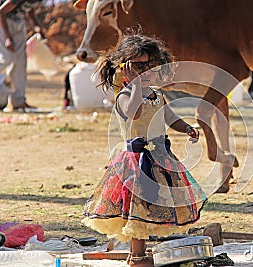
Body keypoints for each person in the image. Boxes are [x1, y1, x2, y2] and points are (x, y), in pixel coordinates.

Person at [82, 34, 206, 267]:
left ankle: (140, 253)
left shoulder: (158, 94)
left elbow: (169, 116)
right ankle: (137, 256)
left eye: (150, 65)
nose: (146, 71)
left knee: (154, 208)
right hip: (136, 163)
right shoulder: (126, 95)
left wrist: (187, 127)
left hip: (161, 157)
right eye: (139, 66)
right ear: (125, 68)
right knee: (137, 209)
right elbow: (135, 113)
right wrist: (135, 82)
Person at [0, 0, 45, 110]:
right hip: (0, 19)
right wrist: (7, 37)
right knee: (6, 57)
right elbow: (1, 12)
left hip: (17, 21)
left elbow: (29, 7)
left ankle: (19, 101)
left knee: (20, 61)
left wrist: (37, 26)